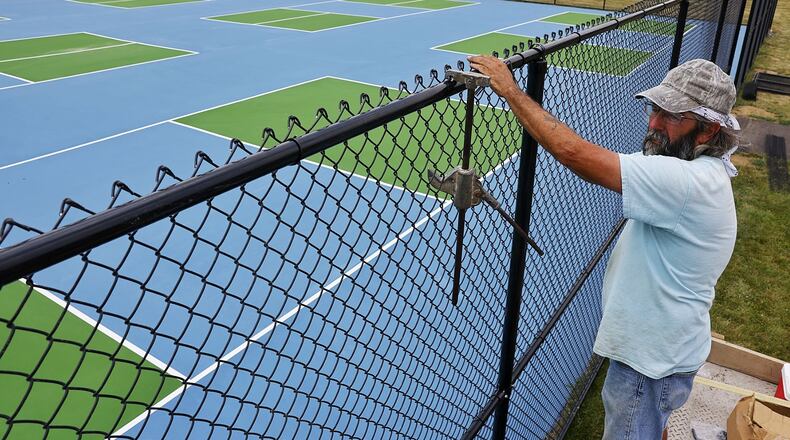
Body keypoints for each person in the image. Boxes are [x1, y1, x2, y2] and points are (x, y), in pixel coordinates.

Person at [467, 55, 740, 439]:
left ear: (708, 130)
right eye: (655, 109)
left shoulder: (685, 183)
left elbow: (575, 154)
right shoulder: (702, 172)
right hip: (666, 353)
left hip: (649, 364)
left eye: (672, 116)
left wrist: (510, 91)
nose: (654, 123)